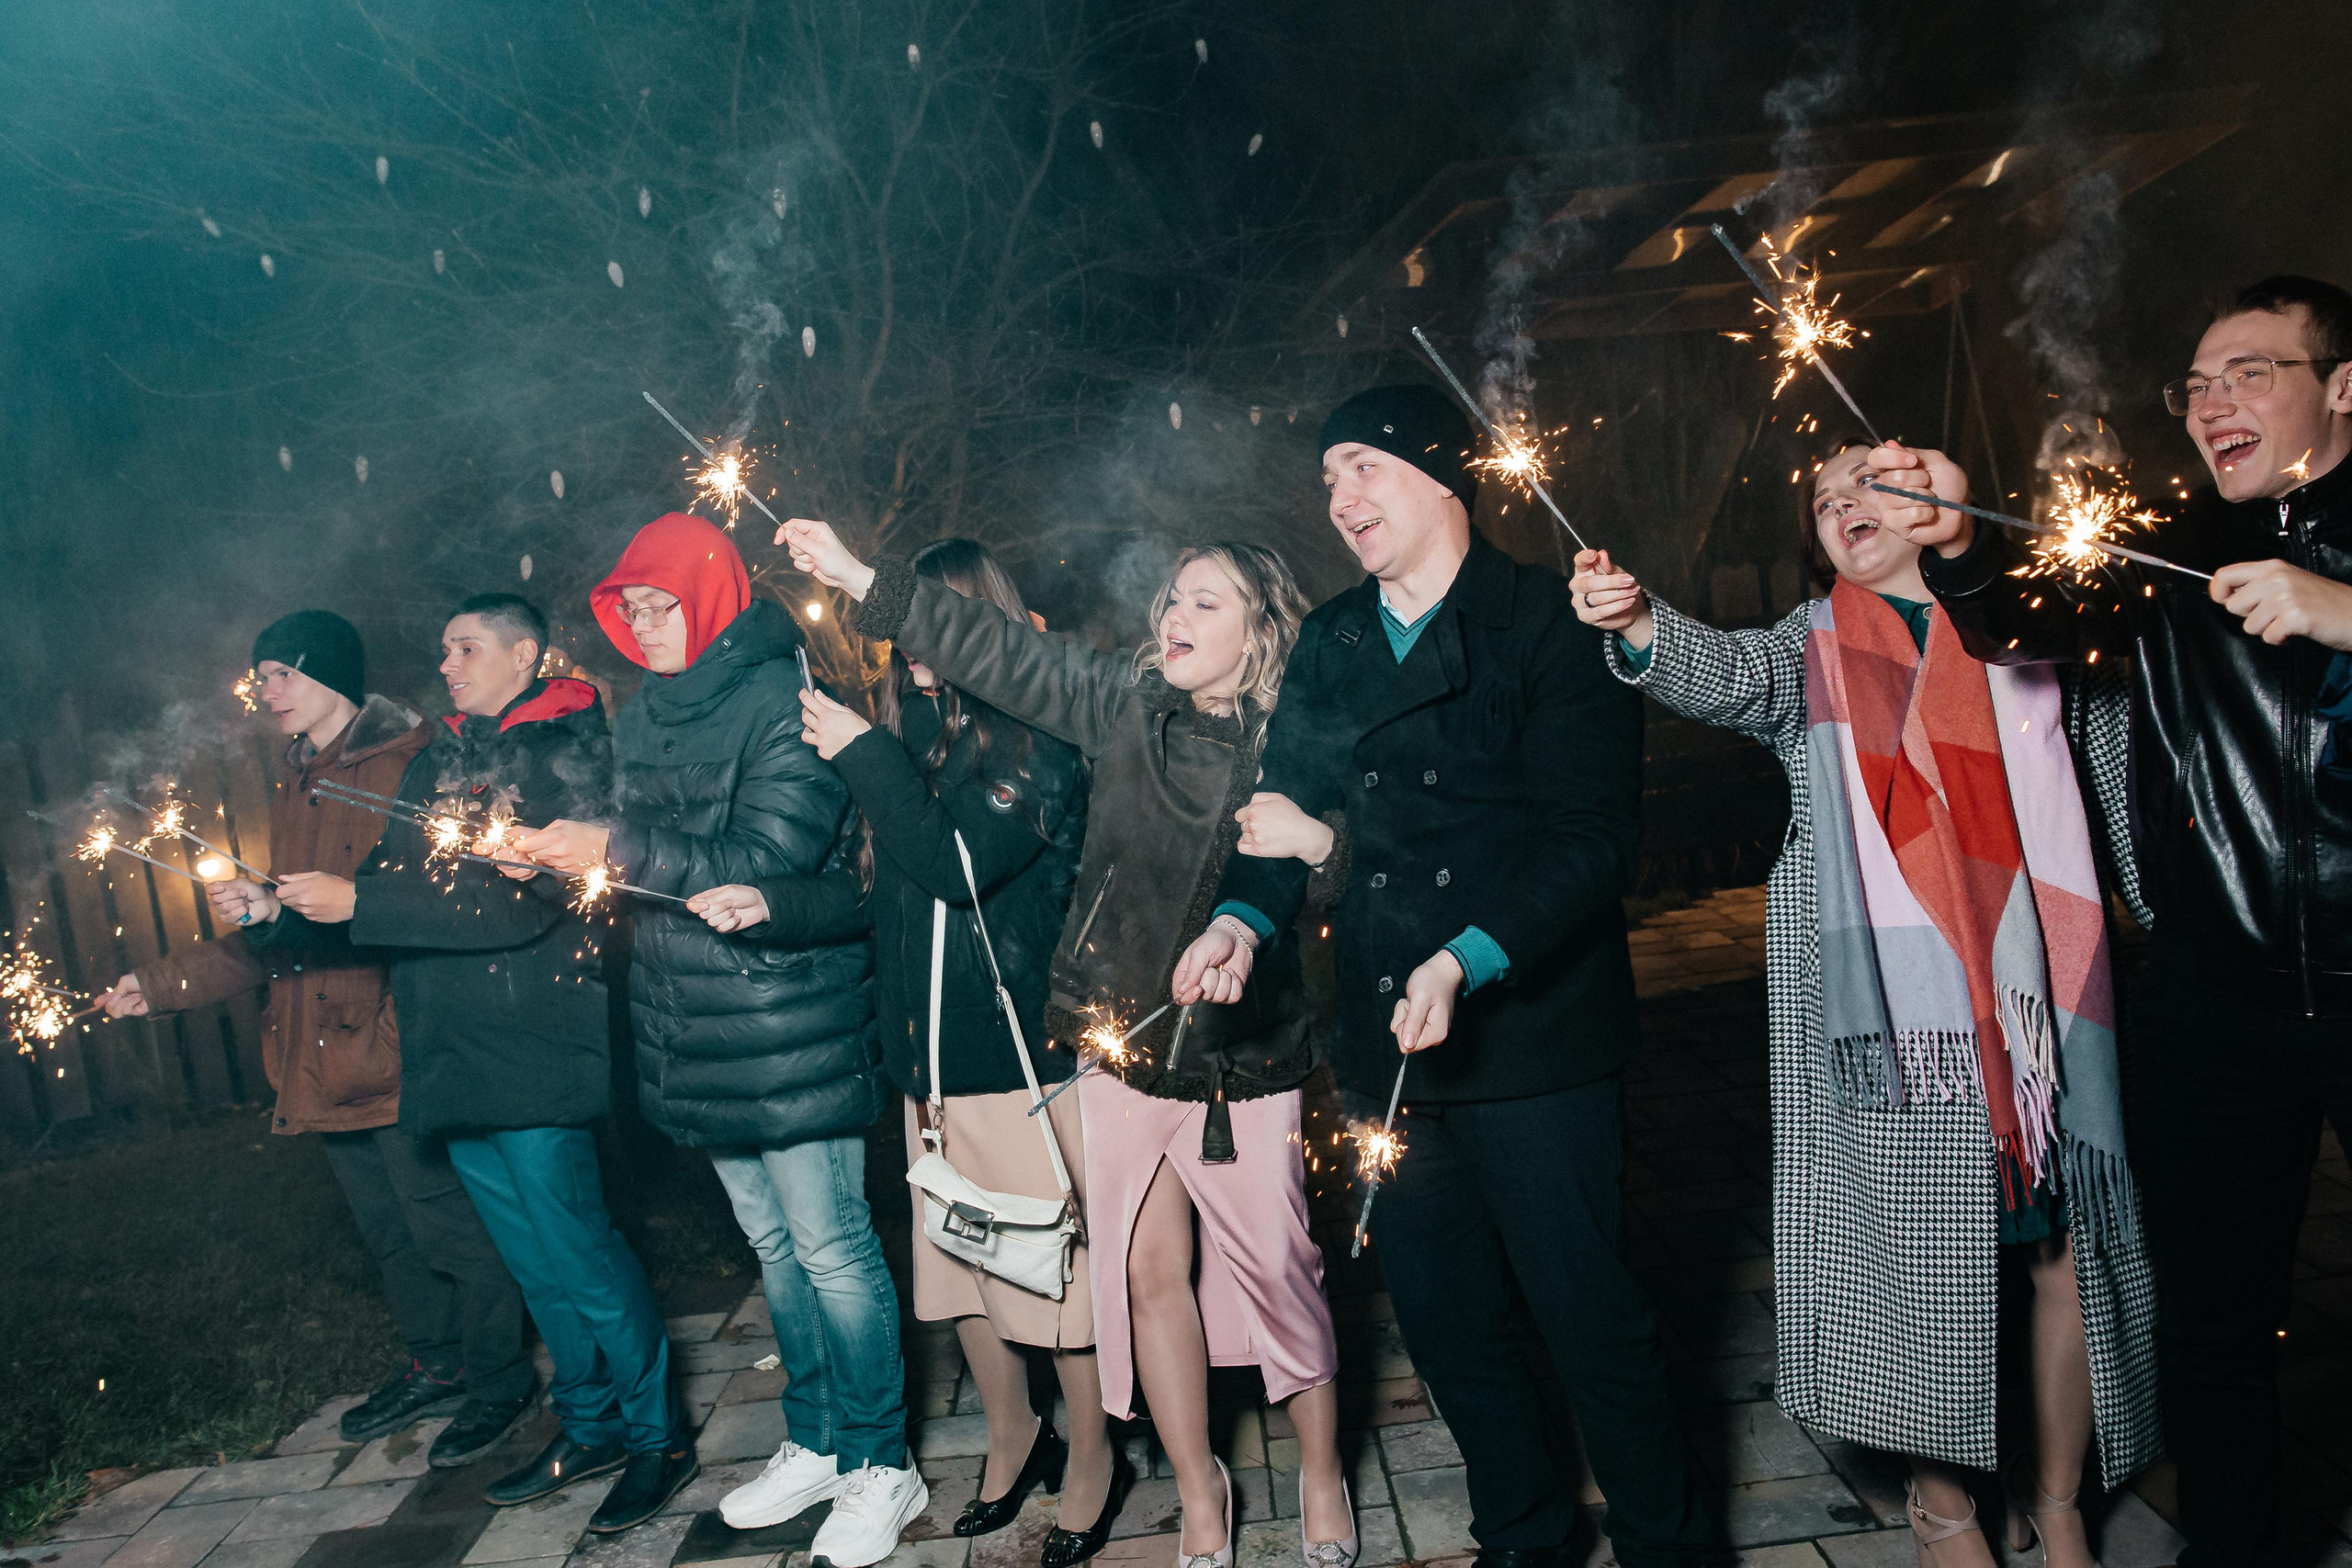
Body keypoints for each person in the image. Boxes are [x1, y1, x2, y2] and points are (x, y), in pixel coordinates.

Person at [1573, 438, 2162, 1567]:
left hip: (2039, 1004)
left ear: (1941, 498)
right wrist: (1639, 620)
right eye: (1823, 495)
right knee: (1927, 1251)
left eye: (1868, 481)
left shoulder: (2029, 628)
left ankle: (2058, 1502)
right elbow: (1719, 673)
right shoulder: (1810, 646)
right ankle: (1944, 1507)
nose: (1841, 501)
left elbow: (2122, 785)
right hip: (1897, 1022)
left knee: (2059, 1254)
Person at [1172, 384, 1711, 1568]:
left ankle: (1673, 1546)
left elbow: (1591, 843)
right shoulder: (1330, 639)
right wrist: (1240, 926)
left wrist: (1468, 957)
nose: (1338, 499)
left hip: (1535, 1039)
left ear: (1436, 473)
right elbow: (1287, 820)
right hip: (1383, 1043)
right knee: (1448, 1322)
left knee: (1591, 1322)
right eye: (1325, 480)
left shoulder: (1549, 618)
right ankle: (1523, 1535)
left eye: (1358, 467)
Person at [780, 516, 1359, 1568]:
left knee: (1280, 1272)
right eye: (1172, 596)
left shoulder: (1300, 736)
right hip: (1120, 1044)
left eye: (1205, 602)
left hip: (1242, 1061)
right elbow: (1003, 650)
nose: (1173, 616)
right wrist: (863, 574)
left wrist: (1249, 920)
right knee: (1144, 1281)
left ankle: (1322, 1472)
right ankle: (1199, 1493)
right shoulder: (1123, 705)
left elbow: (1303, 863)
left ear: (1261, 629)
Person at [1910, 275, 2352, 1568]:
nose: (2214, 401)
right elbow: (2021, 615)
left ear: (2343, 384)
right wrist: (1957, 544)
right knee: (2218, 1327)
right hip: (2214, 997)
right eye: (2197, 383)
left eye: (2253, 371)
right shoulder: (2173, 546)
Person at [210, 592, 695, 1534]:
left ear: (527, 655)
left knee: (582, 1254)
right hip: (449, 1051)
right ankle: (588, 1422)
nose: (447, 663)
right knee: (532, 1263)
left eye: (467, 647)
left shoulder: (567, 750)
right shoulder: (438, 757)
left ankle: (657, 1436)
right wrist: (279, 912)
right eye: (443, 649)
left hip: (532, 1044)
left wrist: (356, 903)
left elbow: (521, 908)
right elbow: (395, 886)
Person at [690, 539, 1123, 1566]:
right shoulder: (910, 731)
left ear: (982, 618)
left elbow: (955, 866)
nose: (915, 646)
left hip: (1017, 1064)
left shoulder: (1037, 739)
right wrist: (776, 903)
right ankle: (1014, 1437)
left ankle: (1099, 1456)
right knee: (961, 1281)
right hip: (922, 1069)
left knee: (1054, 1283)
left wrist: (860, 753)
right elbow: (873, 886)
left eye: (939, 616)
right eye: (907, 624)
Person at [510, 513, 916, 1568]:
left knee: (832, 1248)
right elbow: (642, 858)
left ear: (714, 594)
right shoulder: (643, 716)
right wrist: (561, 854)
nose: (644, 625)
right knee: (774, 1248)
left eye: (661, 603)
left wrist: (617, 842)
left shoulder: (788, 700)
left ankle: (883, 1463)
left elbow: (767, 853)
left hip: (787, 1014)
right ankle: (820, 1438)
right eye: (630, 609)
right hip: (690, 1019)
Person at [97, 610, 534, 1467]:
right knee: (390, 1233)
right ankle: (438, 1365)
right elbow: (281, 923)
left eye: (279, 674)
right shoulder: (298, 778)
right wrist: (156, 986)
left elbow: (415, 906)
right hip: (318, 1047)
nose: (265, 694)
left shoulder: (409, 760)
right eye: (259, 678)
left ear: (329, 673)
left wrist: (296, 913)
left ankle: (499, 1379)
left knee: (448, 1225)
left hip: (395, 1039)